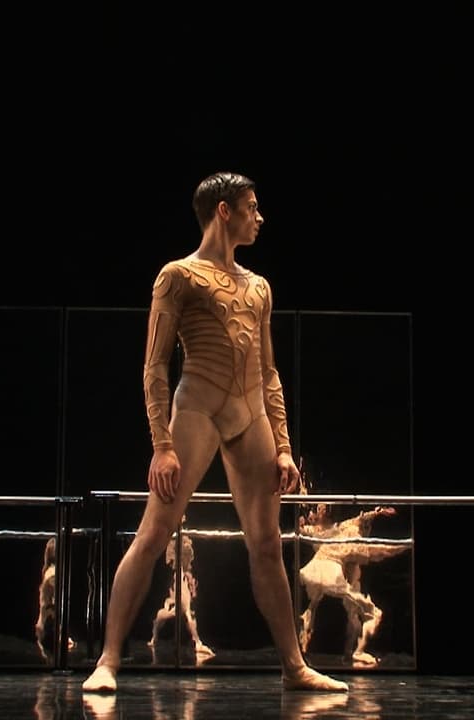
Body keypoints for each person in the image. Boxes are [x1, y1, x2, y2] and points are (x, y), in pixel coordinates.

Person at [81, 172, 346, 693]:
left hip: (251, 413)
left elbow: (268, 371)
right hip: (197, 408)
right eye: (252, 207)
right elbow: (155, 366)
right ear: (224, 211)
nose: (260, 217)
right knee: (154, 533)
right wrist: (161, 445)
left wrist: (285, 447)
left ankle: (294, 667)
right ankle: (108, 660)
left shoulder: (259, 286)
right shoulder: (178, 275)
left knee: (267, 544)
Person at [296, 503, 409, 668]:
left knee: (351, 610)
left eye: (321, 508)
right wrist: (299, 523)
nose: (318, 511)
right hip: (326, 570)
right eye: (318, 508)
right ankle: (304, 649)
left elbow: (360, 520)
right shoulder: (318, 531)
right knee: (364, 609)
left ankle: (353, 651)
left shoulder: (342, 528)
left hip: (336, 570)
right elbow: (302, 529)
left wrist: (376, 512)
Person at [146, 532, 214, 664]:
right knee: (163, 616)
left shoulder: (185, 574)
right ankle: (156, 637)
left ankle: (197, 642)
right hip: (178, 599)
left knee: (188, 615)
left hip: (183, 597)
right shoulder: (178, 573)